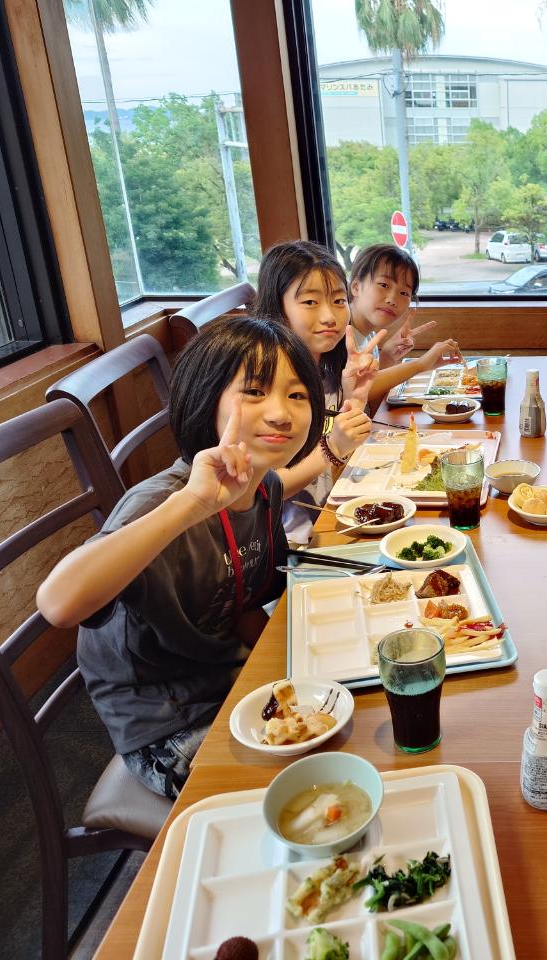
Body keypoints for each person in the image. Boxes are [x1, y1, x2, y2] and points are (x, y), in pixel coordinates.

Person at [36, 317, 326, 798]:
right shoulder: (162, 504)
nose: (281, 413)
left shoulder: (266, 487)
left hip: (229, 682)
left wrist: (295, 671)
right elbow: (58, 604)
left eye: (297, 395)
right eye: (254, 392)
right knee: (317, 785)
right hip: (167, 723)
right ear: (205, 400)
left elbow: (242, 605)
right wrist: (190, 505)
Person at [251, 240, 380, 545]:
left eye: (338, 301)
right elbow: (263, 488)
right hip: (290, 542)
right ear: (278, 307)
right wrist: (332, 448)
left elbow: (336, 447)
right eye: (310, 302)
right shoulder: (266, 386)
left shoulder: (327, 370)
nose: (329, 317)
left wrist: (354, 399)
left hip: (332, 512)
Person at [345, 243, 462, 410]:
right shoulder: (338, 337)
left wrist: (387, 357)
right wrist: (420, 364)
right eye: (383, 285)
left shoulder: (369, 338)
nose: (392, 299)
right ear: (356, 286)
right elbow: (352, 395)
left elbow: (371, 408)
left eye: (404, 293)